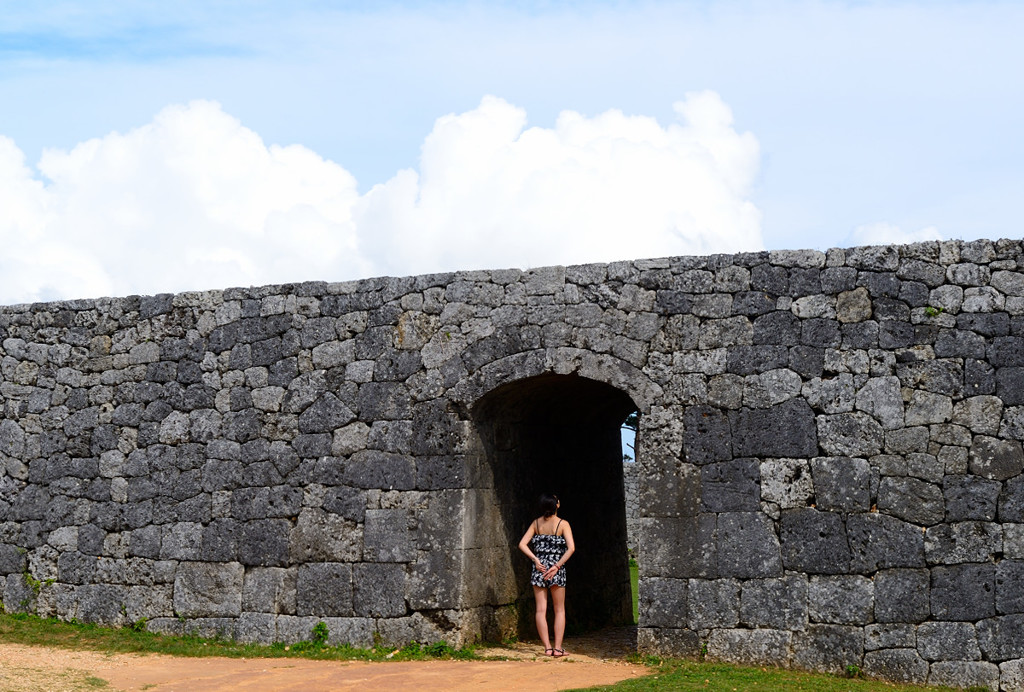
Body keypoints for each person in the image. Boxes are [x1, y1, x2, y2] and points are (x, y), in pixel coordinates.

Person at [518, 493, 575, 658]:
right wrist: (557, 565)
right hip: (556, 570)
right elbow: (571, 548)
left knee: (540, 610)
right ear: (557, 505)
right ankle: (558, 648)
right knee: (559, 610)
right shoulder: (563, 524)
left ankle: (547, 648)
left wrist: (535, 559)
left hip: (540, 569)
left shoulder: (536, 523)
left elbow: (522, 544)